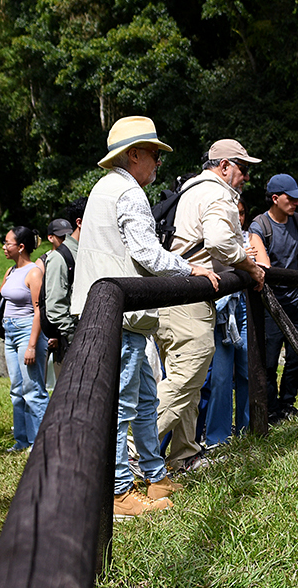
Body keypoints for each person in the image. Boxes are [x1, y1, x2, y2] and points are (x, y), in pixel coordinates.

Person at [70, 116, 219, 520]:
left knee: (146, 397)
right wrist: (192, 270)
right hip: (121, 315)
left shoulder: (106, 188)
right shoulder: (129, 192)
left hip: (119, 313)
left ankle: (153, 473)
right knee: (121, 405)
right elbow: (147, 253)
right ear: (133, 155)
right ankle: (118, 491)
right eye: (153, 154)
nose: (158, 163)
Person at [156, 138, 266, 475]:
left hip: (170, 294)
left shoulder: (189, 189)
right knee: (185, 377)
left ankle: (183, 455)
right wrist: (250, 266)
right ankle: (129, 454)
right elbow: (220, 244)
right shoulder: (217, 194)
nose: (246, 176)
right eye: (242, 168)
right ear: (224, 166)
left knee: (185, 379)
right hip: (188, 297)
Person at [246, 173, 298, 421]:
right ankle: (270, 410)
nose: (296, 203)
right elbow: (263, 264)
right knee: (268, 363)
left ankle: (287, 404)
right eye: (291, 199)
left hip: (294, 301)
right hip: (268, 304)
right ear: (275, 198)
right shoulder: (259, 226)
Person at [0, 226, 47, 452]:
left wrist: (31, 346)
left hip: (28, 332)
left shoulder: (34, 272)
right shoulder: (10, 271)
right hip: (9, 332)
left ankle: (40, 443)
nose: (3, 247)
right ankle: (22, 440)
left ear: (20, 247)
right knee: (17, 389)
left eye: (7, 243)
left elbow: (39, 311)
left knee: (33, 389)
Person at [200, 198, 252, 448]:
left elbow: (262, 264)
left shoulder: (248, 237)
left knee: (247, 371)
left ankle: (248, 428)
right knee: (220, 377)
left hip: (243, 307)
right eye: (235, 214)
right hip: (222, 310)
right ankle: (217, 438)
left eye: (242, 214)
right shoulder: (213, 236)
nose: (239, 219)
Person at [40, 208, 80, 363]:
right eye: (60, 236)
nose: (65, 239)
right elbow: (52, 303)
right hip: (64, 333)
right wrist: (69, 332)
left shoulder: (74, 254)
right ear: (50, 237)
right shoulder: (56, 259)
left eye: (67, 235)